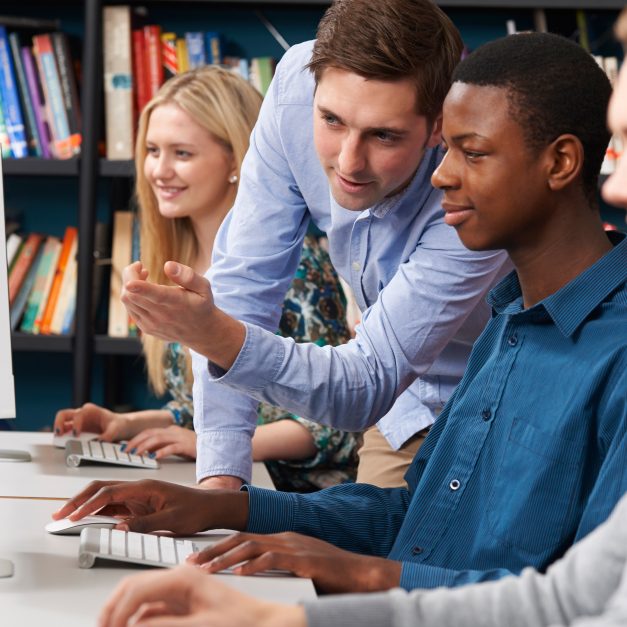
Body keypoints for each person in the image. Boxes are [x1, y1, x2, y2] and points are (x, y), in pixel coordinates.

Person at [56, 32, 627, 598]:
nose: (441, 174)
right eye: (446, 148)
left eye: (471, 153)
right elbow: (413, 518)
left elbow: (591, 600)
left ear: (561, 162)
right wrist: (227, 505)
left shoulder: (612, 353)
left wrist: (359, 572)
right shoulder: (506, 322)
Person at [119, 0, 510, 490]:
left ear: (437, 126)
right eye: (330, 121)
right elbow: (245, 284)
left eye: (383, 136)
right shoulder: (294, 88)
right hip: (400, 411)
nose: (348, 162)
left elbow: (367, 384)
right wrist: (220, 482)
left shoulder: (477, 177)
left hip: (494, 397)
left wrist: (215, 335)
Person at [53, 66, 358, 492]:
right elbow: (217, 401)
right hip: (236, 484)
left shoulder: (298, 264)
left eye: (182, 153)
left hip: (297, 500)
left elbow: (336, 423)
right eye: (152, 150)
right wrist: (127, 423)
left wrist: (212, 446)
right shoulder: (175, 257)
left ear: (235, 159)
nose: (159, 170)